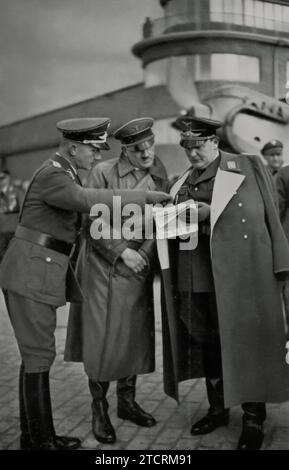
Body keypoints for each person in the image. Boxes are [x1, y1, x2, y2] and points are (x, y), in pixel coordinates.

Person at [0, 117, 171, 451]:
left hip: (38, 271)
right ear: (73, 147)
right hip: (32, 273)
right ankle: (40, 440)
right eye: (92, 150)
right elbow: (85, 200)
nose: (95, 157)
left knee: (37, 358)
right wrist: (146, 195)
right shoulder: (54, 174)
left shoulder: (62, 171)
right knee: (38, 358)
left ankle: (36, 437)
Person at [160, 116, 289, 450]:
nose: (192, 153)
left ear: (215, 142)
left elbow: (272, 214)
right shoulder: (183, 180)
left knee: (246, 341)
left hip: (241, 276)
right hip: (195, 275)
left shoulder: (247, 165)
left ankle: (252, 417)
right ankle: (217, 409)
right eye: (186, 147)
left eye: (198, 145)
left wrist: (282, 263)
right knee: (207, 344)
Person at [65, 118, 169, 444]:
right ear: (126, 148)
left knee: (133, 338)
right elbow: (92, 219)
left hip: (137, 271)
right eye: (139, 149)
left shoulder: (157, 176)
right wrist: (123, 251)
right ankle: (100, 408)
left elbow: (161, 220)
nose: (147, 152)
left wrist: (145, 255)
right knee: (103, 341)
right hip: (102, 270)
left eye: (150, 146)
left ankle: (127, 402)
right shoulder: (103, 173)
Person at [0, 170, 24, 263]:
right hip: (1, 231)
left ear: (8, 178)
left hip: (14, 231)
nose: (1, 181)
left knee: (15, 256)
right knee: (2, 257)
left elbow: (23, 210)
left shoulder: (17, 192)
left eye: (3, 178)